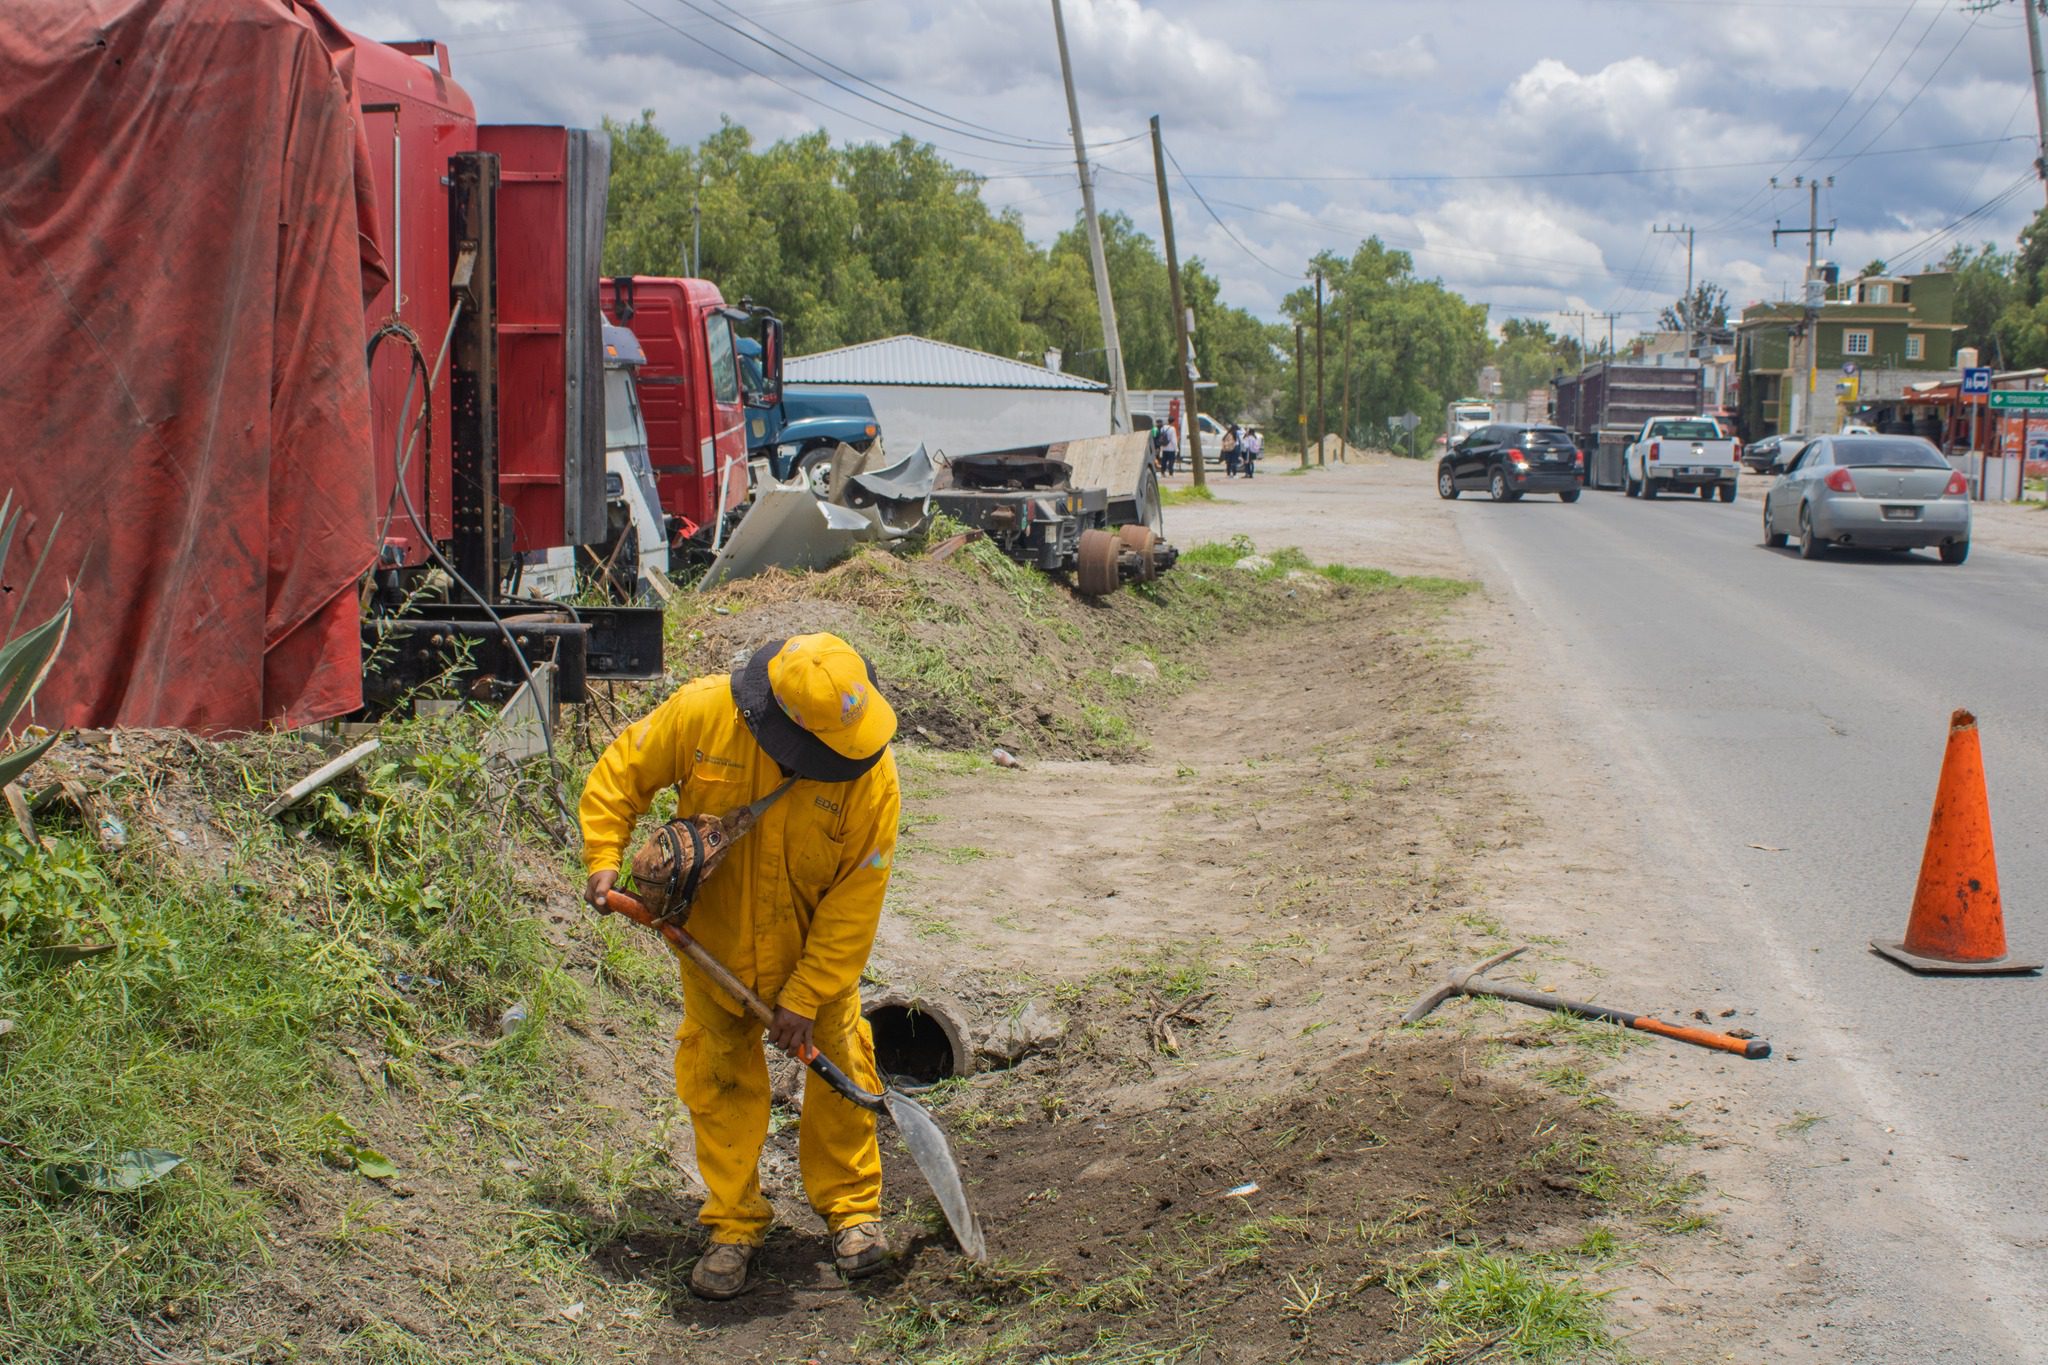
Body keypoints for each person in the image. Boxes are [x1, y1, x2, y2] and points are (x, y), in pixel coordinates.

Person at [580, 633, 901, 1301]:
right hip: (714, 950)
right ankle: (733, 1223)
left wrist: (808, 993)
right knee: (719, 1077)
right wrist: (603, 855)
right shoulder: (702, 715)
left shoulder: (872, 774)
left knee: (842, 1068)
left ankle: (852, 1212)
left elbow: (856, 899)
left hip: (818, 965)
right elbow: (621, 771)